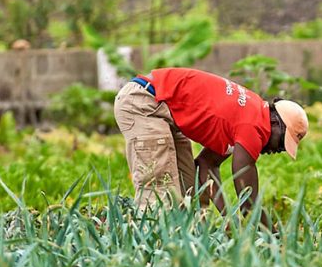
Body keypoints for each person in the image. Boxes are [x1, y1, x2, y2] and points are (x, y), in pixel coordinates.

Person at [113, 67, 308, 226]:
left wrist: (228, 220)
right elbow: (248, 201)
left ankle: (186, 250)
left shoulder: (248, 116)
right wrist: (276, 240)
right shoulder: (255, 126)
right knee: (161, 193)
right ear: (275, 123)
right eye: (282, 142)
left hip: (164, 110)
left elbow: (206, 166)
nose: (277, 150)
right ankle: (145, 256)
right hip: (145, 102)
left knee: (189, 194)